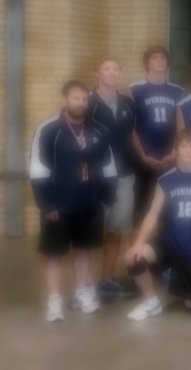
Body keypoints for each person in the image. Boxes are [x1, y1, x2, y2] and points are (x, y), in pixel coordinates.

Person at [30, 80, 117, 322]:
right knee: (54, 254)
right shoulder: (47, 130)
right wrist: (46, 203)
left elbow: (108, 165)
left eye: (84, 99)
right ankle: (54, 302)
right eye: (75, 98)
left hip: (89, 203)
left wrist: (107, 197)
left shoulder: (99, 130)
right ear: (64, 99)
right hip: (57, 204)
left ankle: (82, 293)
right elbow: (38, 168)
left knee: (84, 251)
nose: (81, 103)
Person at [124, 129, 191, 321]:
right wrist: (139, 242)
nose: (187, 151)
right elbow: (152, 214)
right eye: (183, 146)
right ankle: (152, 302)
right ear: (176, 150)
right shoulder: (165, 180)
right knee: (134, 258)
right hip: (170, 241)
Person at [88, 56, 137, 298]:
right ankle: (85, 285)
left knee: (116, 230)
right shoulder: (87, 103)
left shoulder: (128, 103)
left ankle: (107, 279)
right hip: (95, 178)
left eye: (116, 69)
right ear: (96, 73)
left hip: (125, 175)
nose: (111, 73)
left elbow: (134, 136)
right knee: (90, 232)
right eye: (106, 69)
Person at [129, 45, 185, 225]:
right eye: (155, 57)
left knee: (168, 207)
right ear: (147, 62)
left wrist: (174, 154)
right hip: (143, 158)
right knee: (142, 207)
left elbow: (181, 126)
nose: (160, 61)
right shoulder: (134, 89)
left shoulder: (178, 91)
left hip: (169, 156)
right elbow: (131, 127)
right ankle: (139, 249)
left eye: (163, 58)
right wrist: (143, 156)